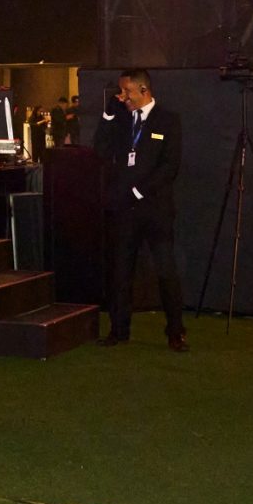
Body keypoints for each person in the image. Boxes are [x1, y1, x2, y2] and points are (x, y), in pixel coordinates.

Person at [99, 68, 186, 350]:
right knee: (121, 271)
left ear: (143, 90)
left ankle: (175, 332)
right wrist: (108, 115)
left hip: (155, 210)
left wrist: (138, 191)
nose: (123, 96)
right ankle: (119, 330)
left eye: (127, 91)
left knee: (166, 270)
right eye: (121, 91)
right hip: (125, 210)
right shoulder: (122, 119)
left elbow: (170, 167)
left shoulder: (168, 120)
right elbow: (100, 150)